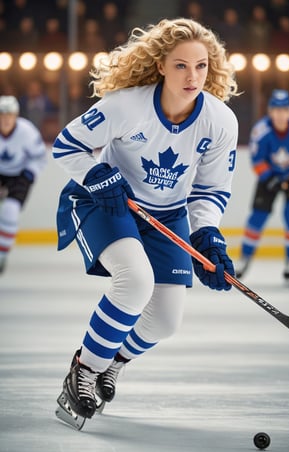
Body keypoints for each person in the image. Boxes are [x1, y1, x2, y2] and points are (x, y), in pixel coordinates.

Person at [52, 18, 239, 422]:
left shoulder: (221, 121)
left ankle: (114, 361)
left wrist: (208, 234)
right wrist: (96, 173)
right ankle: (84, 371)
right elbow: (66, 145)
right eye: (181, 66)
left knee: (166, 320)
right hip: (108, 203)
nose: (193, 77)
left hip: (168, 215)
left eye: (201, 66)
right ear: (160, 66)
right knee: (135, 282)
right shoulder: (127, 105)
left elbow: (210, 189)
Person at [236, 89, 289, 284]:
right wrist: (269, 177)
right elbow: (256, 158)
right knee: (257, 217)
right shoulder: (261, 130)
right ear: (270, 111)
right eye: (276, 110)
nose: (280, 114)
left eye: (284, 110)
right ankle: (244, 258)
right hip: (269, 177)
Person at [0, 95, 47, 273]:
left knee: (10, 211)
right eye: (2, 115)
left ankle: (2, 255)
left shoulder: (27, 131)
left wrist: (29, 173)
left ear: (16, 115)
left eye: (9, 115)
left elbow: (40, 157)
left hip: (19, 174)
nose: (5, 119)